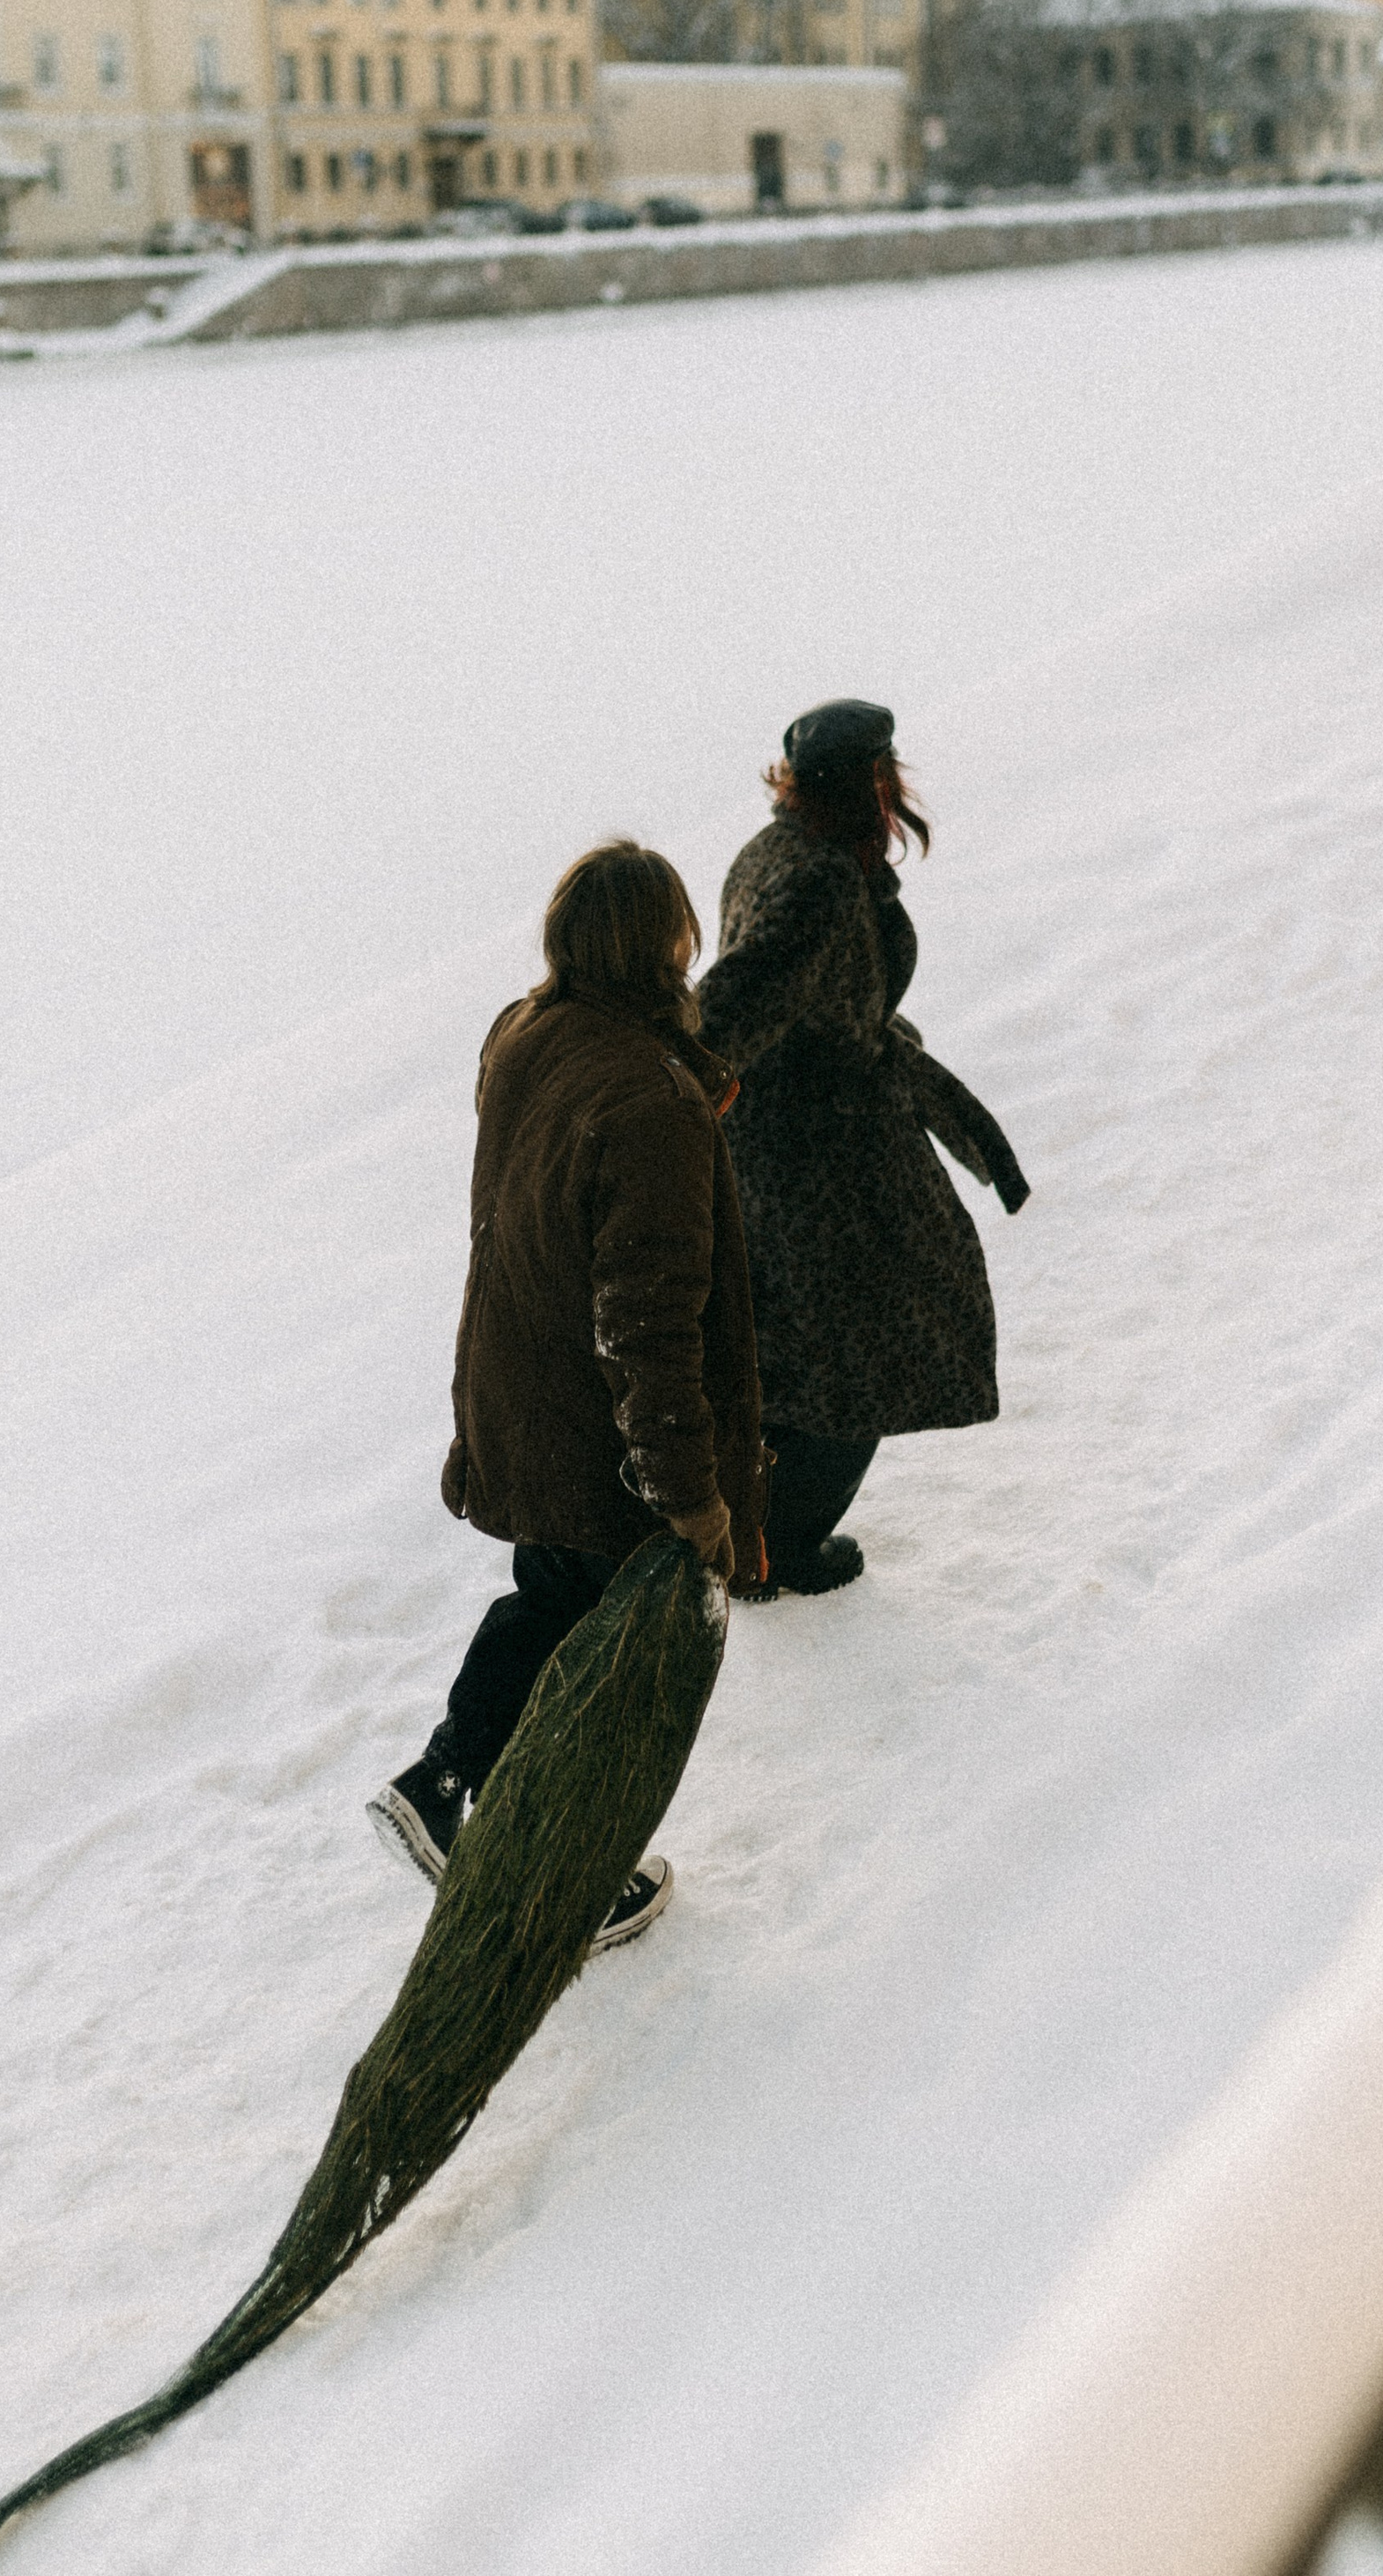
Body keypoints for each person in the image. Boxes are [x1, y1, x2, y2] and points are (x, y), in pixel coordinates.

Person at [373, 840, 765, 1950]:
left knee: (548, 1600)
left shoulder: (528, 1033)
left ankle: (448, 1782)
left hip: (518, 1386)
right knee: (597, 1653)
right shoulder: (648, 1104)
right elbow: (646, 1321)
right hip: (590, 1425)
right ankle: (544, 1861)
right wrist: (689, 1492)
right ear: (669, 946)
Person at [697, 700, 1029, 1597]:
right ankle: (773, 1551)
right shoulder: (814, 883)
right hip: (819, 1163)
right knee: (861, 1364)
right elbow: (724, 1012)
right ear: (875, 781)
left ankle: (752, 1536)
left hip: (795, 1150)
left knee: (803, 1355)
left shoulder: (780, 851)